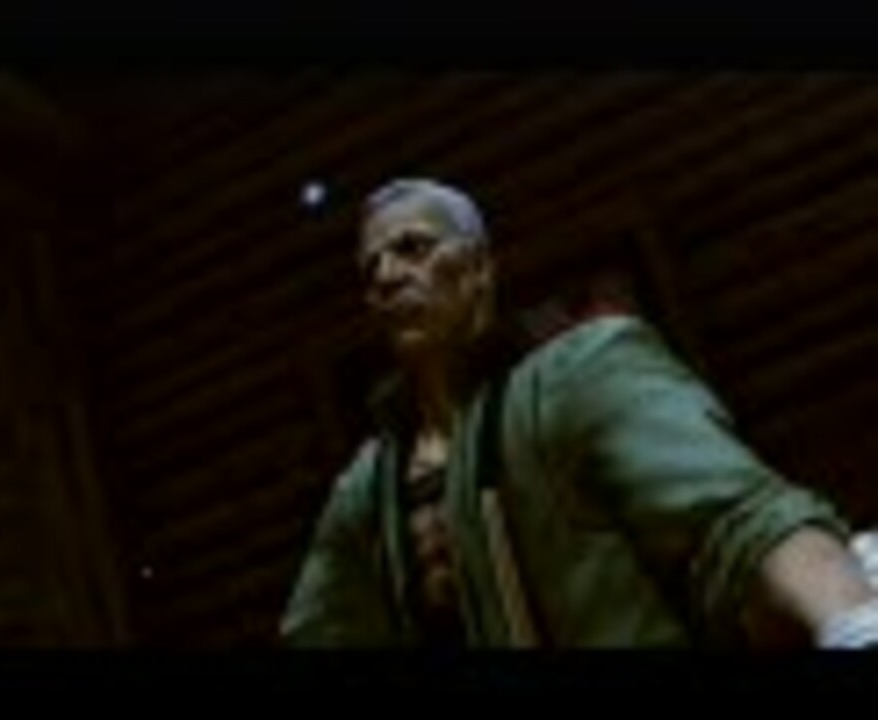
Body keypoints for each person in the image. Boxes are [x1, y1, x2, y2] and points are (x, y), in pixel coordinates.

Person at [280, 178, 878, 648]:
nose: (386, 277)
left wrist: (850, 621)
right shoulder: (367, 489)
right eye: (371, 269)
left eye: (413, 248)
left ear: (479, 267)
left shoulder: (582, 376)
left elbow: (738, 519)